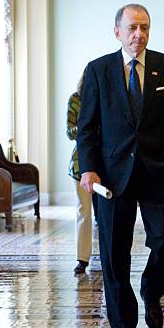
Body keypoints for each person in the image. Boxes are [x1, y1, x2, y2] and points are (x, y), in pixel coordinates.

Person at [77, 4, 164, 328]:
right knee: (114, 252)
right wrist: (89, 168)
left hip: (158, 171)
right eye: (131, 28)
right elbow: (87, 127)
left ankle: (152, 289)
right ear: (117, 32)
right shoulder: (98, 71)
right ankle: (122, 324)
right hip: (112, 176)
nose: (138, 34)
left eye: (144, 27)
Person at [67, 72, 97, 275]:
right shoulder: (76, 99)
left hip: (109, 162)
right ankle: (82, 258)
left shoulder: (110, 95)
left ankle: (109, 255)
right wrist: (86, 128)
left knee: (107, 215)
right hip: (81, 163)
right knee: (83, 211)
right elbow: (69, 132)